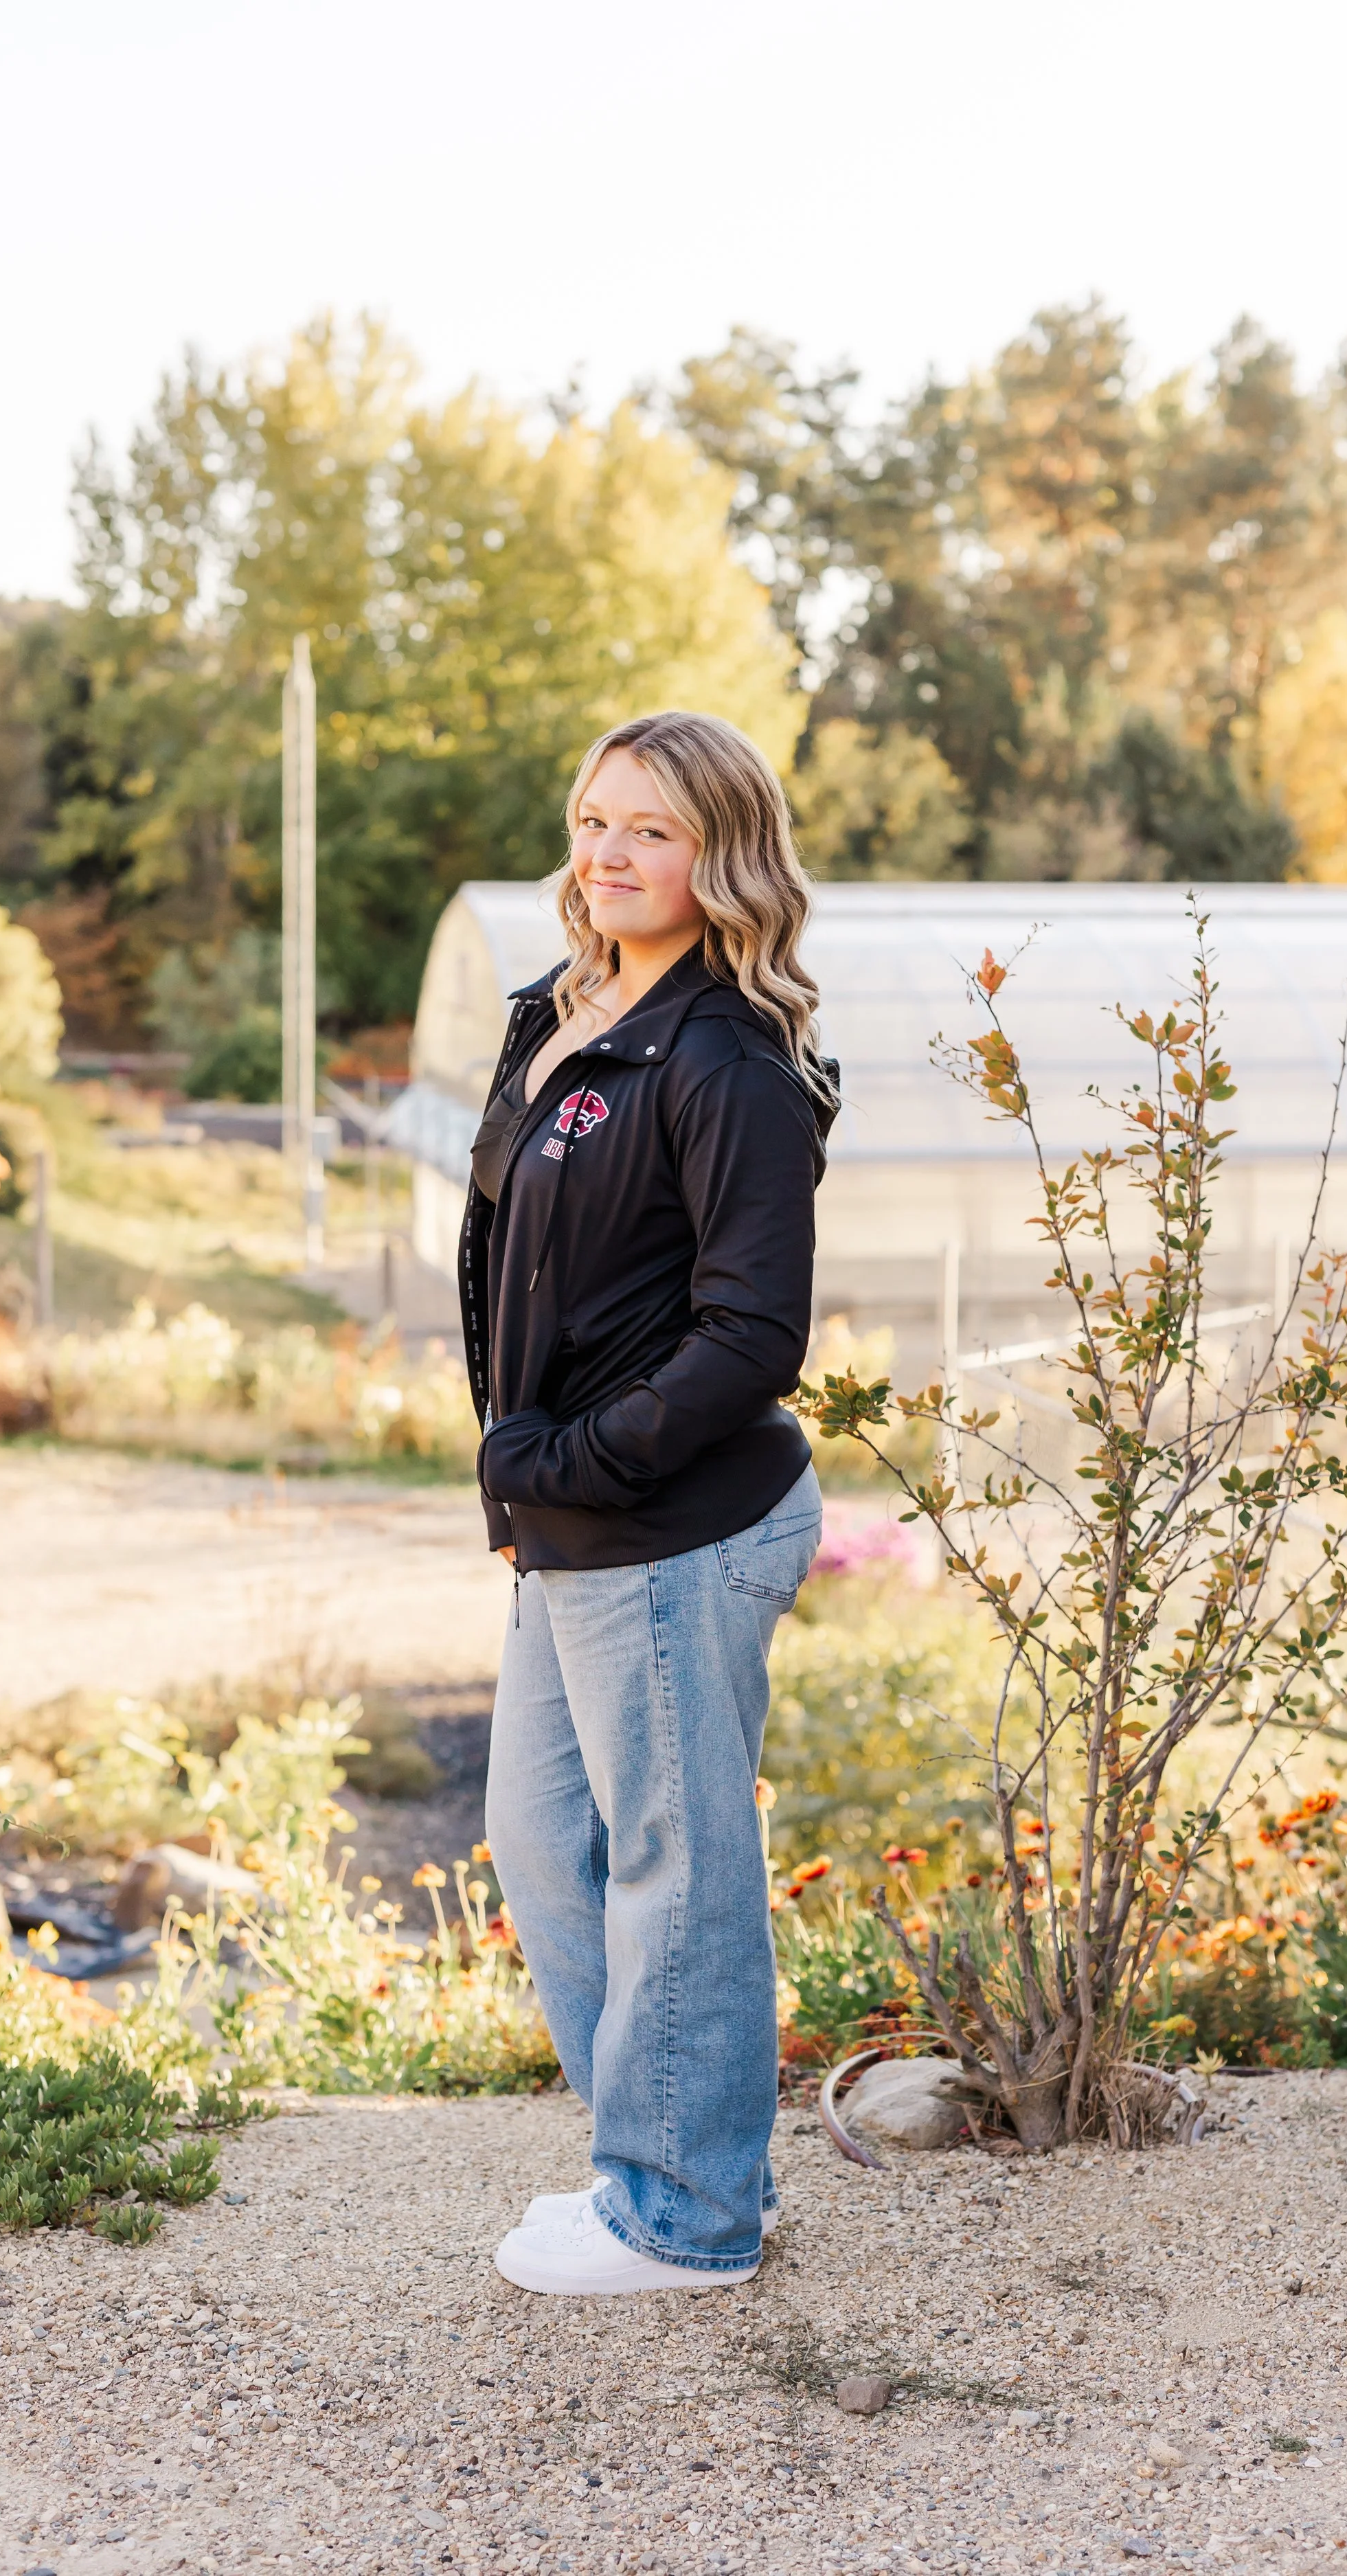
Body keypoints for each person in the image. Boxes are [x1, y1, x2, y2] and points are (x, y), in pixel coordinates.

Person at [462, 709, 838, 2295]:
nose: (606, 856)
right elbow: (509, 1257)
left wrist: (574, 1456)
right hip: (570, 1521)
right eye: (594, 821)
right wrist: (520, 1464)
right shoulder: (556, 1009)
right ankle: (648, 2167)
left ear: (721, 857)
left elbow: (751, 1333)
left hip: (673, 1522)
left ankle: (688, 2220)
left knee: (675, 1867)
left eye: (651, 832)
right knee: (541, 1843)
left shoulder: (726, 1056)